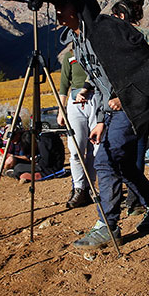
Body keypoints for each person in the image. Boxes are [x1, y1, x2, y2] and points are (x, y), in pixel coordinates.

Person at [56, 0, 149, 250]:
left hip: (130, 107)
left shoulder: (105, 31)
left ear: (78, 8)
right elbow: (100, 76)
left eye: (63, 6)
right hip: (110, 110)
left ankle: (108, 226)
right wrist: (91, 101)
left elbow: (138, 66)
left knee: (105, 160)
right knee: (126, 166)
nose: (57, 11)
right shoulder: (80, 39)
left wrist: (124, 95)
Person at [112, 0, 149, 214]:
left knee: (120, 152)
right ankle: (135, 201)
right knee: (137, 152)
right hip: (144, 102)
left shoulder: (116, 37)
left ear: (122, 15)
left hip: (120, 102)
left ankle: (128, 200)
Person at [57, 45, 97, 208]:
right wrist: (61, 110)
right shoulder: (69, 56)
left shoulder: (95, 50)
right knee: (75, 150)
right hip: (75, 103)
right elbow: (64, 83)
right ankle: (79, 188)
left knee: (95, 148)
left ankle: (90, 187)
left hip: (95, 100)